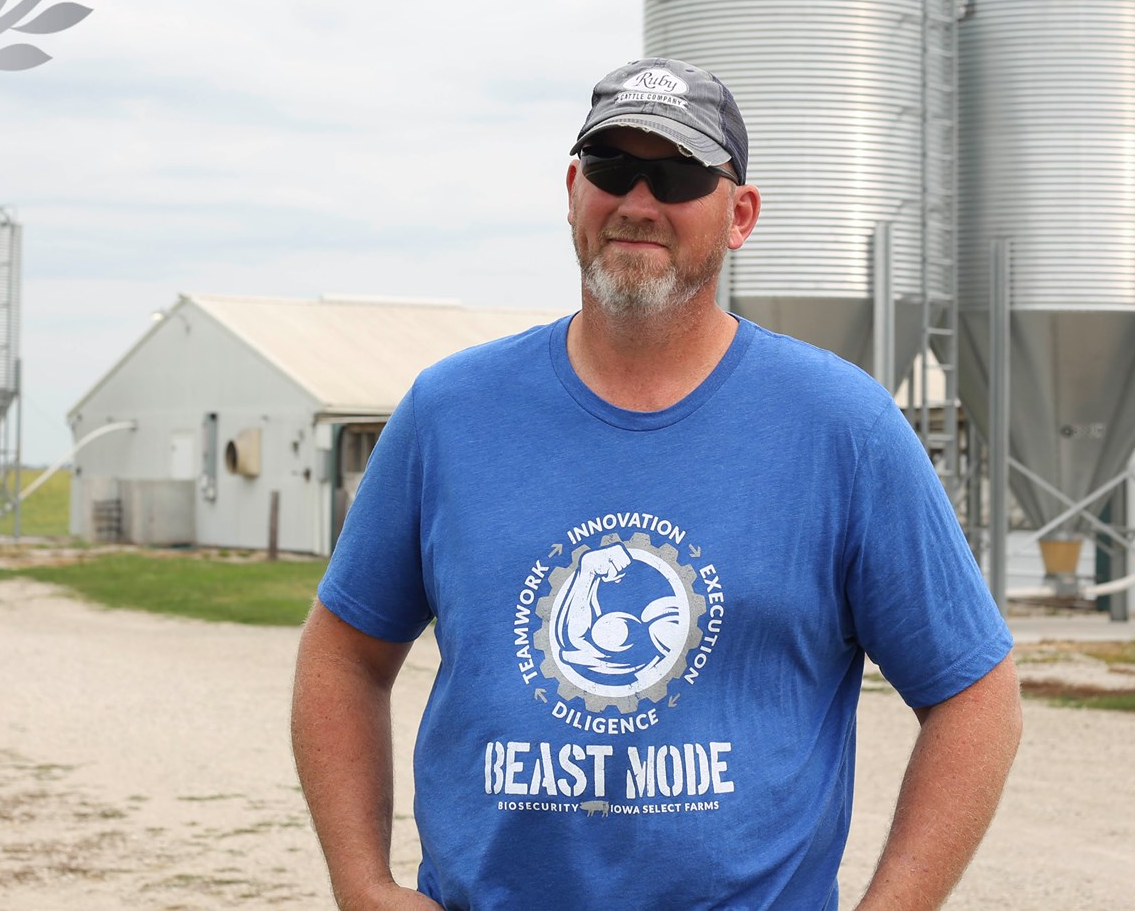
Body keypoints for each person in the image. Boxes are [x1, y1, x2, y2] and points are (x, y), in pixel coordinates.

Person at [293, 57, 1021, 909]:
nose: (638, 200)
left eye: (676, 173)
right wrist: (360, 880)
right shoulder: (450, 413)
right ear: (573, 189)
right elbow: (343, 653)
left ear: (739, 212)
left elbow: (976, 695)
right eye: (611, 168)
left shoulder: (841, 428)